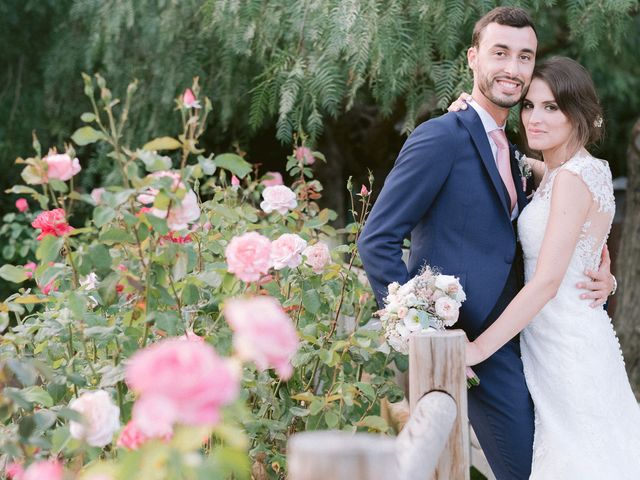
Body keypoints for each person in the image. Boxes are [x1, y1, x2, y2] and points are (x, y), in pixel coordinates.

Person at [357, 7, 615, 479]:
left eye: (525, 57)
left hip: (531, 342)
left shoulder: (513, 151)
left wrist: (602, 263)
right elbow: (376, 240)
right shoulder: (440, 138)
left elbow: (570, 205)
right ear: (473, 58)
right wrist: (426, 335)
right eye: (500, 53)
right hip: (472, 345)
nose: (513, 69)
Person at [462, 57, 640, 478]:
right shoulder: (579, 170)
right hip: (569, 337)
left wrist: (477, 349)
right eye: (529, 106)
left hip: (568, 350)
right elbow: (521, 163)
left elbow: (546, 283)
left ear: (580, 114)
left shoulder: (571, 179)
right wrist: (470, 112)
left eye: (551, 107)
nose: (534, 118)